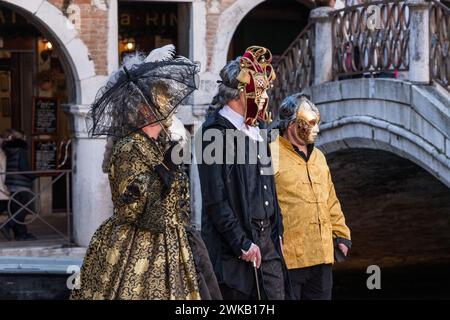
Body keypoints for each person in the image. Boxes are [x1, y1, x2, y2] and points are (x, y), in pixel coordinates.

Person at [71, 45, 220, 300]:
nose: (170, 105)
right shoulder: (129, 148)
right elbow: (134, 209)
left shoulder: (160, 145)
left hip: (175, 244)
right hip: (137, 245)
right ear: (144, 108)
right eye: (163, 100)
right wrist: (164, 169)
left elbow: (179, 203)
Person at [197, 46, 290, 300]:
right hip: (236, 250)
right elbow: (215, 200)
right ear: (239, 94)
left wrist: (278, 230)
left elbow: (269, 186)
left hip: (268, 243)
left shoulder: (258, 129)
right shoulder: (213, 133)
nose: (263, 98)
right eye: (258, 92)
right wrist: (242, 243)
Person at [270, 93, 351, 300]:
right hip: (289, 256)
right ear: (292, 125)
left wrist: (341, 234)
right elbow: (261, 202)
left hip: (322, 253)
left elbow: (330, 198)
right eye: (311, 123)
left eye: (318, 122)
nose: (317, 129)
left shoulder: (319, 157)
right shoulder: (270, 154)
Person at [1, 129, 36, 241]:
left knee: (17, 209)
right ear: (21, 138)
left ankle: (21, 234)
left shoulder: (8, 150)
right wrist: (34, 176)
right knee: (25, 208)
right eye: (24, 137)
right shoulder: (20, 150)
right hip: (21, 184)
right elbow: (23, 167)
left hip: (11, 183)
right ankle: (7, 225)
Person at [0, 130, 11, 240]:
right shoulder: (1, 153)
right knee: (3, 204)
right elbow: (3, 171)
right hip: (0, 185)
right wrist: (5, 187)